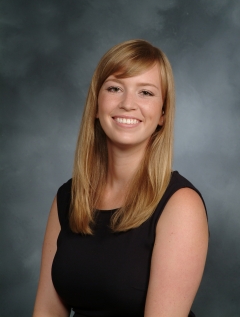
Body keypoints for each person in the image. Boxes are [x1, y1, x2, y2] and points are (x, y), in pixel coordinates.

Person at [33, 39, 208, 317]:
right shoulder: (68, 198)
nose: (128, 104)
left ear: (162, 113)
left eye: (146, 93)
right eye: (115, 88)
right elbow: (47, 311)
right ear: (96, 104)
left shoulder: (180, 205)